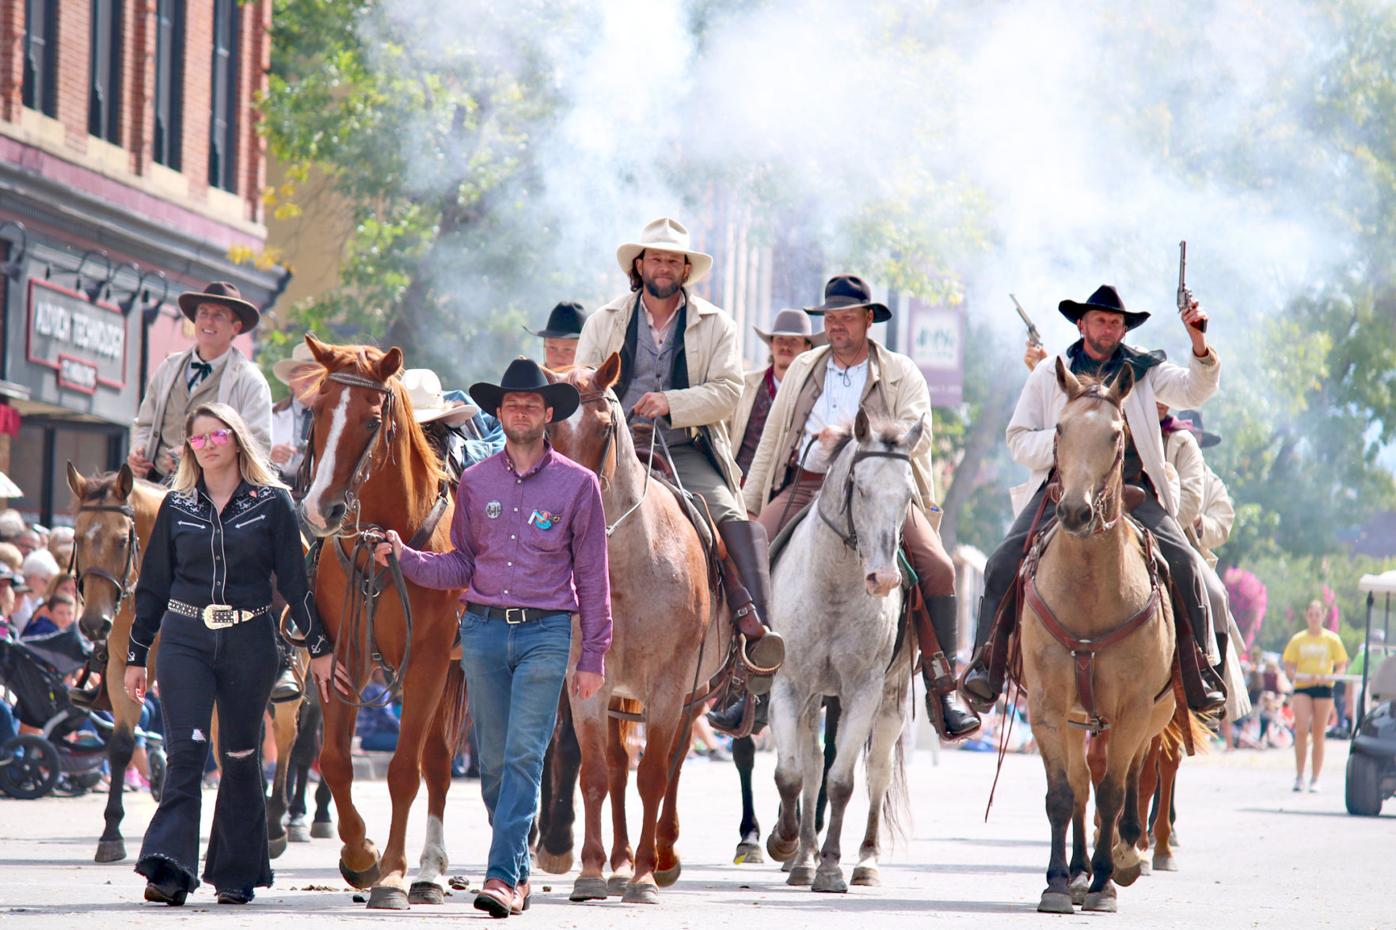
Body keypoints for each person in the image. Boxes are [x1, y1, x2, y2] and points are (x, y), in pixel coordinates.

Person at [374, 357, 611, 918]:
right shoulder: (476, 482)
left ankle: (501, 876)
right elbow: (460, 565)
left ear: (548, 413)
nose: (521, 410)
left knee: (526, 757)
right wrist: (406, 559)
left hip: (547, 634)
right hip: (480, 633)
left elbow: (593, 576)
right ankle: (520, 870)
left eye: (531, 403)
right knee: (496, 767)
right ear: (499, 414)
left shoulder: (580, 485)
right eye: (510, 404)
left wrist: (593, 654)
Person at [962, 284, 1227, 714]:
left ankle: (1200, 672)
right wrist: (1071, 441)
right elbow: (1017, 440)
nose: (1109, 328)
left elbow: (1195, 391)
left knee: (1186, 565)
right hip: (1062, 490)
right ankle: (986, 666)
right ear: (1081, 324)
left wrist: (1198, 341)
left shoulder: (1143, 368)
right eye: (1101, 320)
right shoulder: (1049, 373)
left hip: (1133, 492)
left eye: (1116, 322)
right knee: (1001, 563)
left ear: (1124, 329)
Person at [736, 274, 979, 740]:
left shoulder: (901, 371)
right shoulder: (806, 368)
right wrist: (750, 506)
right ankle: (746, 684)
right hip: (808, 484)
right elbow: (770, 440)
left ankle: (942, 687)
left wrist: (850, 436)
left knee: (939, 568)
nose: (837, 327)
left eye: (847, 318)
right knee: (749, 552)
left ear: (869, 320)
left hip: (879, 488)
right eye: (830, 318)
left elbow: (918, 430)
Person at [123, 402, 336, 906]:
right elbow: (151, 588)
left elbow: (295, 581)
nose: (207, 445)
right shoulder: (178, 507)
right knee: (187, 751)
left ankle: (236, 872)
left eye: (216, 435)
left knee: (240, 756)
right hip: (183, 640)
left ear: (237, 438)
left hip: (250, 641)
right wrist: (137, 655)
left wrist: (320, 647)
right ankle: (169, 869)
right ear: (190, 448)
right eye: (197, 439)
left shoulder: (273, 502)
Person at [575, 217, 784, 707]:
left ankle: (754, 634)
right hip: (612, 447)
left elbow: (730, 391)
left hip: (686, 446)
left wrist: (671, 402)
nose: (664, 266)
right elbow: (581, 380)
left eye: (673, 259)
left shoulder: (716, 323)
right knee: (559, 512)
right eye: (656, 257)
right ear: (639, 265)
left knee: (730, 518)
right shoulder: (604, 319)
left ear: (685, 268)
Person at [129, 282, 273, 483]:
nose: (209, 321)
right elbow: (144, 423)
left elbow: (258, 445)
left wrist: (199, 456)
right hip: (154, 484)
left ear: (236, 328)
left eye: (218, 316)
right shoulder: (168, 368)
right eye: (203, 313)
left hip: (213, 494)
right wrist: (139, 450)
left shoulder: (250, 381)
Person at [730, 308, 823, 480]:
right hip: (739, 482)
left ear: (807, 347)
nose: (785, 346)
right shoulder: (743, 386)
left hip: (787, 485)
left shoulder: (817, 395)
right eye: (780, 339)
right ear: (771, 344)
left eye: (794, 341)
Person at [1281, 600, 1349, 792]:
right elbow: (1288, 665)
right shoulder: (1298, 639)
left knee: (1319, 734)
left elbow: (1341, 664)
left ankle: (1315, 777)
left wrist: (1330, 677)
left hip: (1324, 688)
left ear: (1323, 616)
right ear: (1306, 616)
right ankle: (1299, 775)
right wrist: (1296, 676)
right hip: (1303, 687)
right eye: (1311, 614)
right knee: (1302, 729)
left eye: (1317, 614)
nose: (1314, 618)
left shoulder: (1332, 639)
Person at [526, 301, 589, 370]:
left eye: (568, 350)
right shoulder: (530, 379)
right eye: (552, 347)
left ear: (584, 351)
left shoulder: (596, 380)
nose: (559, 357)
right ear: (544, 346)